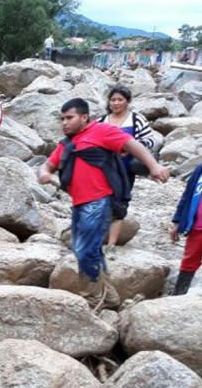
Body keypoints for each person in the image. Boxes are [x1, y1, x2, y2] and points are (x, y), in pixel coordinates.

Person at [38, 98, 170, 308]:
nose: (64, 122)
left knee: (85, 249)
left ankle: (91, 297)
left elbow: (131, 144)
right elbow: (48, 164)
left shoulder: (101, 131)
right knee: (88, 250)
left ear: (84, 117)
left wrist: (154, 166)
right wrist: (44, 173)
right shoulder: (67, 144)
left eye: (69, 118)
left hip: (100, 201)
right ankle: (108, 297)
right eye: (62, 119)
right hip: (79, 204)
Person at [97, 85, 156, 248]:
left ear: (127, 101)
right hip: (103, 169)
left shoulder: (136, 119)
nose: (116, 103)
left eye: (120, 100)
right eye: (113, 100)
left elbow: (150, 140)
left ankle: (111, 243)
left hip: (125, 170)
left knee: (119, 203)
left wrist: (130, 147)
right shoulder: (101, 121)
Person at [169, 163, 202, 295]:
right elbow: (187, 195)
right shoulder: (200, 169)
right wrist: (177, 222)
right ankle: (179, 295)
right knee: (189, 262)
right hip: (197, 226)